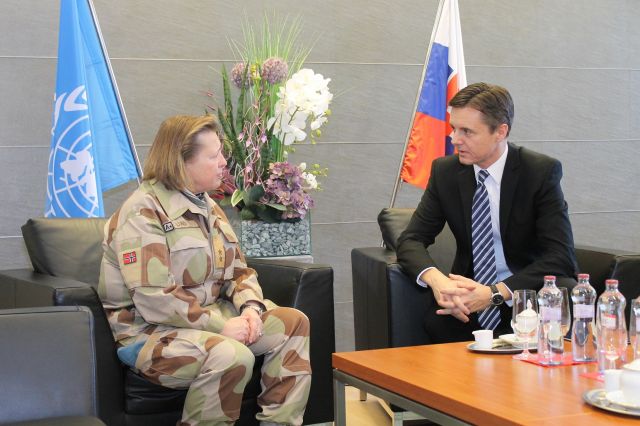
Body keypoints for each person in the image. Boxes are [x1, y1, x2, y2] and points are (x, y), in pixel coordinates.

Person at [98, 115, 311, 426]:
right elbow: (155, 298)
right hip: (151, 334)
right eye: (214, 156)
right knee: (231, 354)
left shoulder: (206, 206)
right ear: (181, 162)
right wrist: (220, 327)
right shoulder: (143, 212)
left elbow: (239, 272)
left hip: (208, 322)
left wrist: (251, 309)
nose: (224, 162)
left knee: (292, 322)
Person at [396, 82, 577, 344]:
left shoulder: (539, 172)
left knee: (564, 293)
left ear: (500, 131)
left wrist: (494, 293)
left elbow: (561, 256)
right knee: (436, 322)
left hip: (525, 296)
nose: (455, 139)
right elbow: (410, 239)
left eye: (467, 131)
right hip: (467, 300)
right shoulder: (445, 172)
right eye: (454, 128)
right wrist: (439, 282)